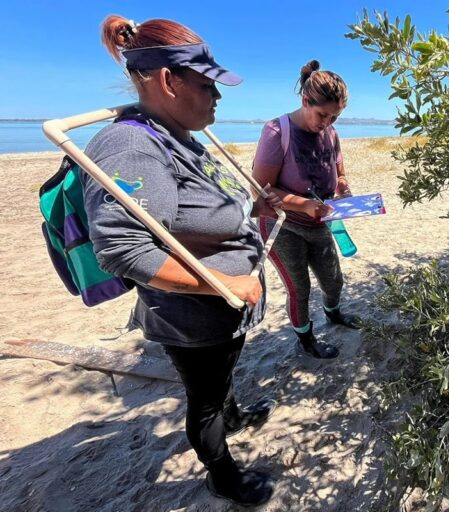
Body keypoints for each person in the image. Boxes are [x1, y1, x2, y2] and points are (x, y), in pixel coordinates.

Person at [82, 15, 280, 506]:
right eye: (208, 83)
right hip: (192, 315)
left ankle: (233, 414)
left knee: (222, 375)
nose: (217, 96)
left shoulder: (177, 132)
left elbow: (195, 207)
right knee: (205, 397)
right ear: (169, 81)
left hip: (224, 307)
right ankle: (222, 474)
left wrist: (249, 207)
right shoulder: (130, 146)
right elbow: (122, 249)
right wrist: (223, 284)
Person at [252, 60, 361, 360]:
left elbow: (339, 174)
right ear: (304, 101)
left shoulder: (332, 133)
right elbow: (260, 191)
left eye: (334, 117)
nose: (326, 123)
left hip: (320, 222)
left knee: (333, 279)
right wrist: (303, 204)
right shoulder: (277, 131)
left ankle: (334, 314)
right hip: (282, 225)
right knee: (299, 288)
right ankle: (306, 339)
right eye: (322, 114)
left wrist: (344, 190)